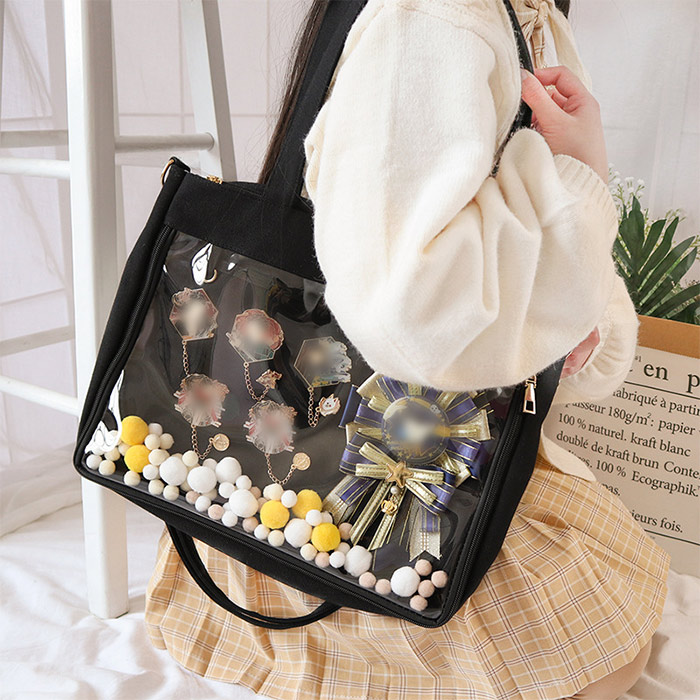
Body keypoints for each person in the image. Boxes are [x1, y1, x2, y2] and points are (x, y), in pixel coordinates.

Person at [145, 1, 671, 698]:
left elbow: (557, 340)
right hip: (356, 480)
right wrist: (576, 174)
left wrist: (573, 299)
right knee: (607, 655)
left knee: (616, 642)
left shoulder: (512, 15)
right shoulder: (433, 20)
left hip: (336, 473)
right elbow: (411, 320)